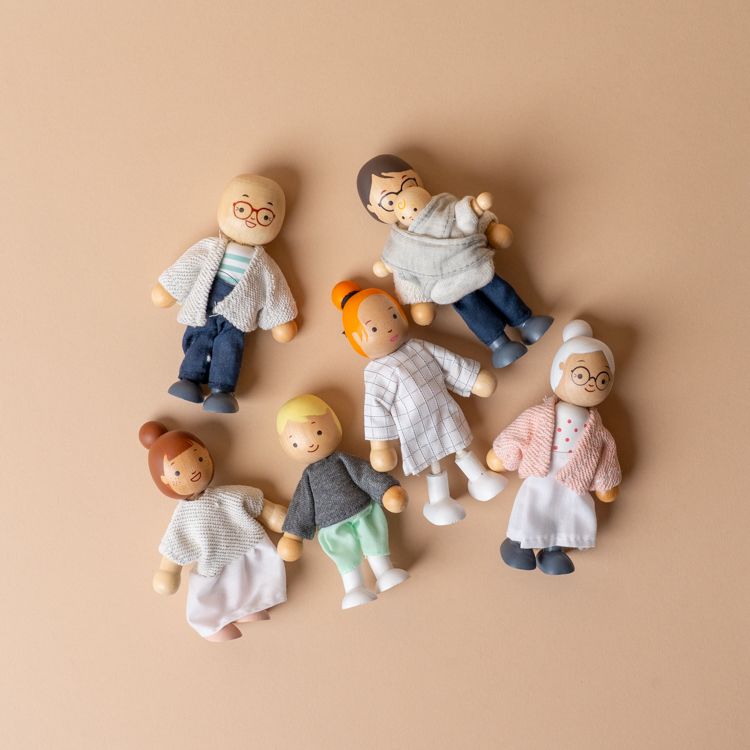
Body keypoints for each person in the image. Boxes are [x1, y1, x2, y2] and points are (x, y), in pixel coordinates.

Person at [332, 280, 506, 527]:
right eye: (374, 328)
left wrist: (474, 378)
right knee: (434, 459)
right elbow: (375, 409)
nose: (389, 328)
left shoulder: (418, 347)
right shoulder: (375, 373)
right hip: (415, 424)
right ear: (356, 338)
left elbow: (448, 362)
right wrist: (380, 446)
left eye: (393, 315)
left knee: (460, 444)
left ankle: (479, 478)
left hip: (443, 410)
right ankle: (440, 501)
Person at [356, 154, 552, 367]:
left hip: (474, 264)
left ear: (417, 178)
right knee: (475, 313)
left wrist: (491, 230)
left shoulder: (444, 205)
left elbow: (467, 218)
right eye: (390, 200)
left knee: (500, 291)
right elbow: (406, 274)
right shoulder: (398, 248)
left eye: (408, 184)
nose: (405, 199)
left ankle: (525, 321)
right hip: (450, 287)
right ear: (374, 211)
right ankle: (499, 343)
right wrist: (420, 302)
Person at [152, 174, 298, 413]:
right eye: (242, 209)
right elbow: (190, 265)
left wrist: (280, 320)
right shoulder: (210, 248)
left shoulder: (264, 266)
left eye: (264, 216)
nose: (251, 218)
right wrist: (168, 288)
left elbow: (275, 290)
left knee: (229, 350)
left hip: (237, 318)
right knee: (198, 340)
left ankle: (222, 390)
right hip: (204, 308)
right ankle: (189, 379)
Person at [487, 320, 621, 575]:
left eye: (601, 379)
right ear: (560, 370)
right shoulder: (540, 415)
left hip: (576, 477)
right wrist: (502, 454)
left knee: (567, 511)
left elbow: (606, 456)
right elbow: (521, 432)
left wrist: (606, 483)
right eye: (580, 375)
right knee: (533, 504)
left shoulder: (598, 431)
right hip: (542, 471)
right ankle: (518, 544)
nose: (591, 383)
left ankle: (554, 550)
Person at [140, 420, 288, 640]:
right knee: (212, 594)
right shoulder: (184, 517)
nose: (193, 471)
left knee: (255, 577)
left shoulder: (229, 495)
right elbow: (175, 545)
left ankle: (250, 608)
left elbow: (260, 505)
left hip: (248, 546)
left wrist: (275, 515)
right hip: (213, 562)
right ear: (163, 481)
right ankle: (213, 627)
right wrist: (168, 572)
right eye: (178, 473)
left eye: (199, 459)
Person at [275, 395, 409, 610]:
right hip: (332, 527)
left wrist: (386, 490)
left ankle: (384, 571)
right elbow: (302, 505)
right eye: (295, 442)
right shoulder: (307, 478)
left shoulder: (343, 460)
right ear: (287, 446)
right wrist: (293, 535)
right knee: (343, 552)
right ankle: (353, 587)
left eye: (318, 432)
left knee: (373, 536)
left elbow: (364, 474)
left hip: (363, 511)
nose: (310, 443)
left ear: (334, 425)